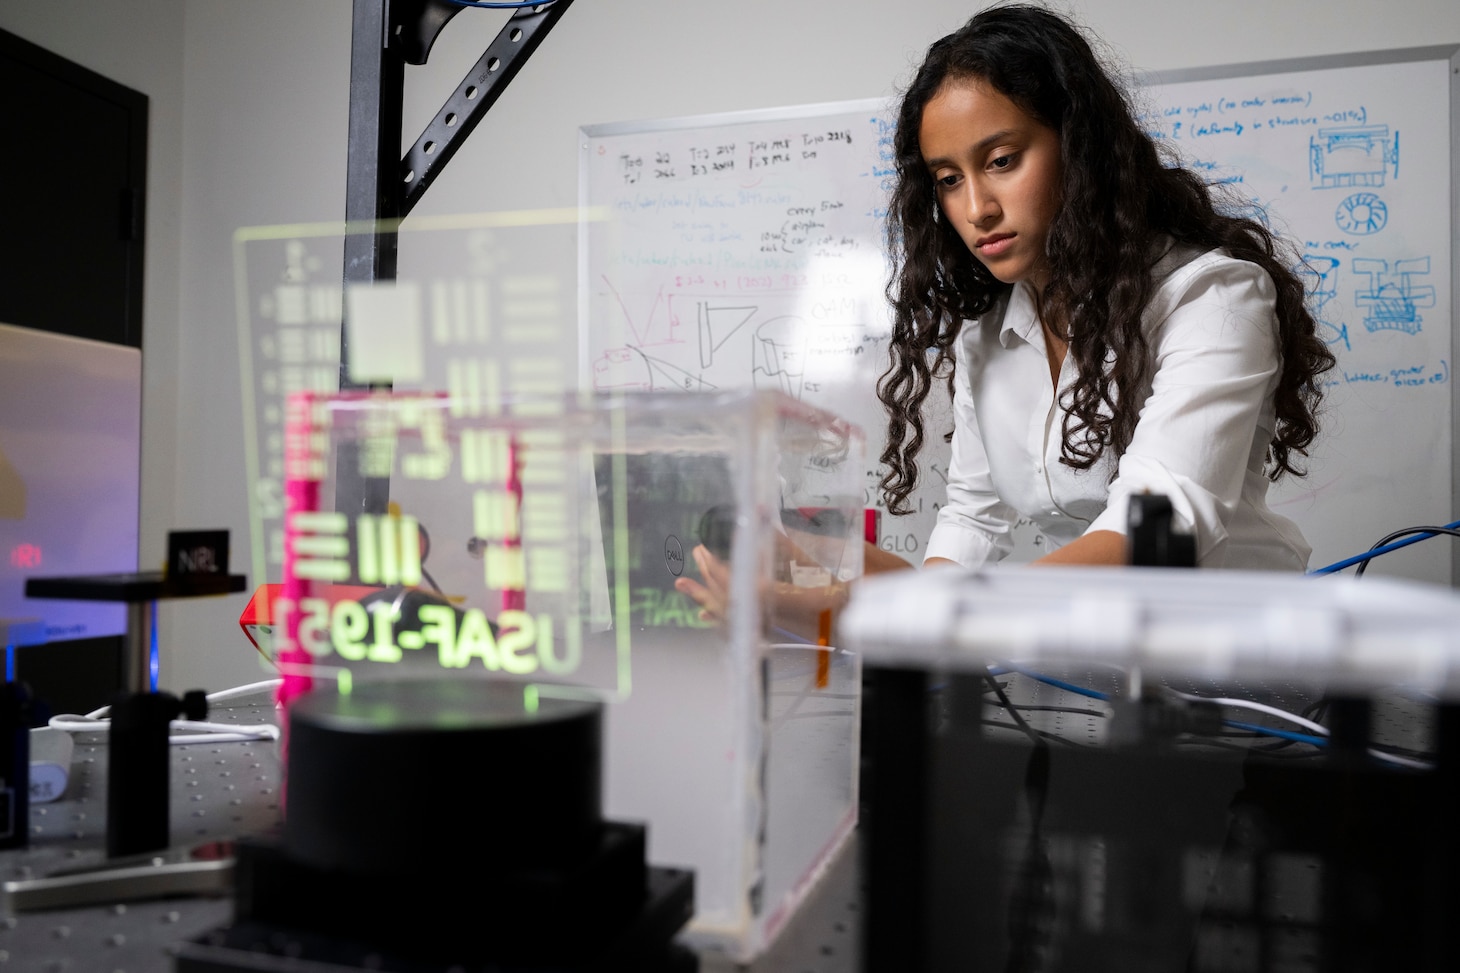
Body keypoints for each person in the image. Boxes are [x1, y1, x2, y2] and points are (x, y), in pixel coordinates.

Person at [876, 4, 1335, 572]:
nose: (976, 209)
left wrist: (966, 613)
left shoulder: (1214, 296)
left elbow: (1162, 520)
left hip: (1231, 644)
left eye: (1002, 160)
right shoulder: (988, 336)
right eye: (948, 179)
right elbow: (972, 517)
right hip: (1077, 647)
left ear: (1078, 145)